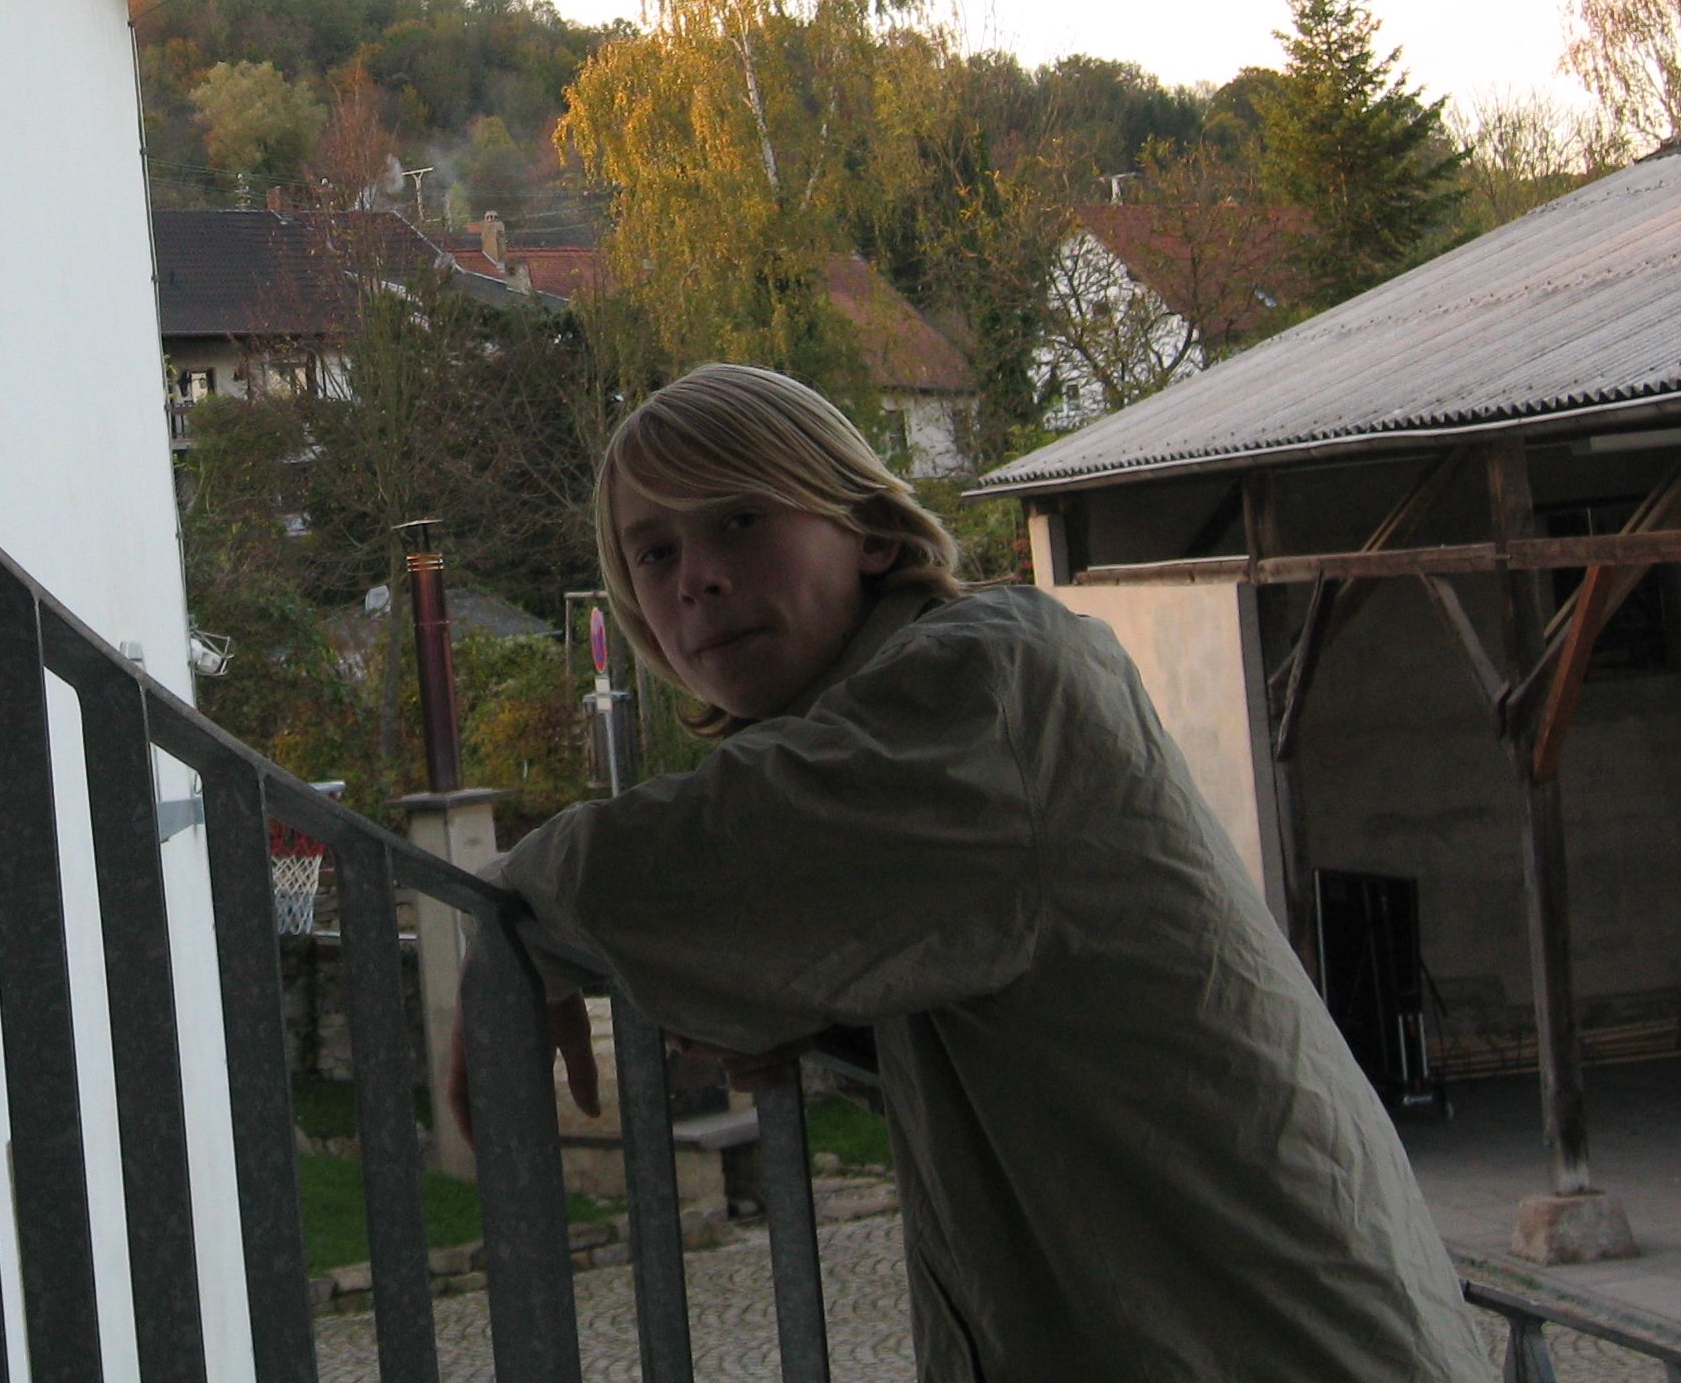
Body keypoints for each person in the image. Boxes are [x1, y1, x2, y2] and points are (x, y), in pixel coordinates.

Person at [453, 363, 1483, 1381]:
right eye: (654, 552)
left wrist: (505, 910)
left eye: (741, 520)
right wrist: (816, 1017)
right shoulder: (906, 739)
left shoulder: (985, 686)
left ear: (871, 531)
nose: (698, 578)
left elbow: (683, 862)